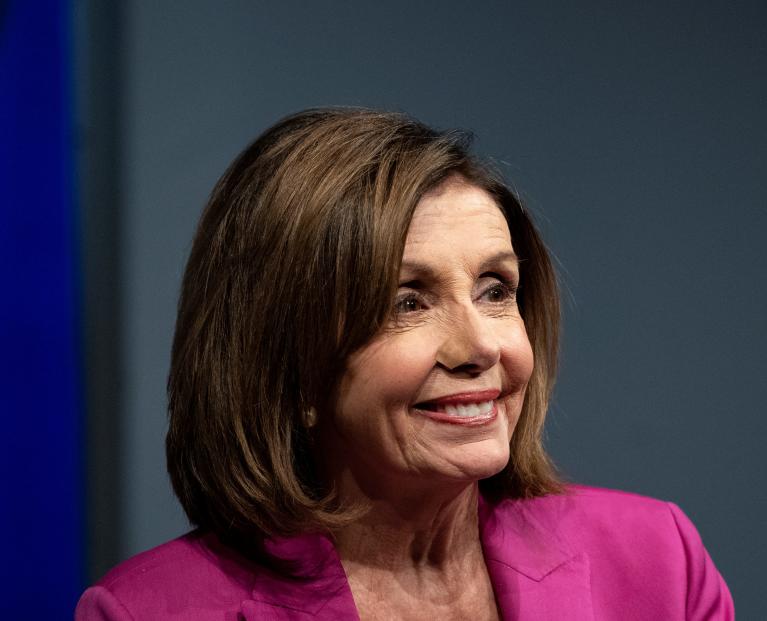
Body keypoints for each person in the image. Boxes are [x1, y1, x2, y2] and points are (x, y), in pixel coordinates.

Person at [75, 108, 733, 620]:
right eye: (407, 301)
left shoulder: (656, 562)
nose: (479, 347)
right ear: (290, 362)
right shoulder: (146, 610)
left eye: (495, 290)